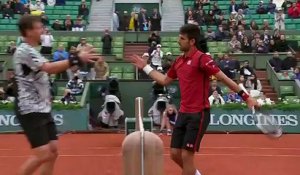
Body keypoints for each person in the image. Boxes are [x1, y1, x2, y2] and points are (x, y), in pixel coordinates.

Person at [127, 24, 258, 175]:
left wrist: (246, 97)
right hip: (183, 112)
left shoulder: (202, 59)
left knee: (186, 156)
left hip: (199, 114)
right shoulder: (179, 61)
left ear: (192, 41)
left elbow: (224, 78)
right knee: (175, 154)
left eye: (182, 38)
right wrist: (146, 67)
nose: (178, 41)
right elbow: (164, 80)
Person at [13, 15, 101, 175]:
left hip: (42, 108)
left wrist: (76, 59)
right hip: (29, 109)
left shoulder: (33, 51)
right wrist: (76, 59)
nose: (43, 31)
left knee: (53, 152)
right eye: (39, 27)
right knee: (44, 153)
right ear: (29, 31)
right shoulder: (24, 50)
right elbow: (49, 68)